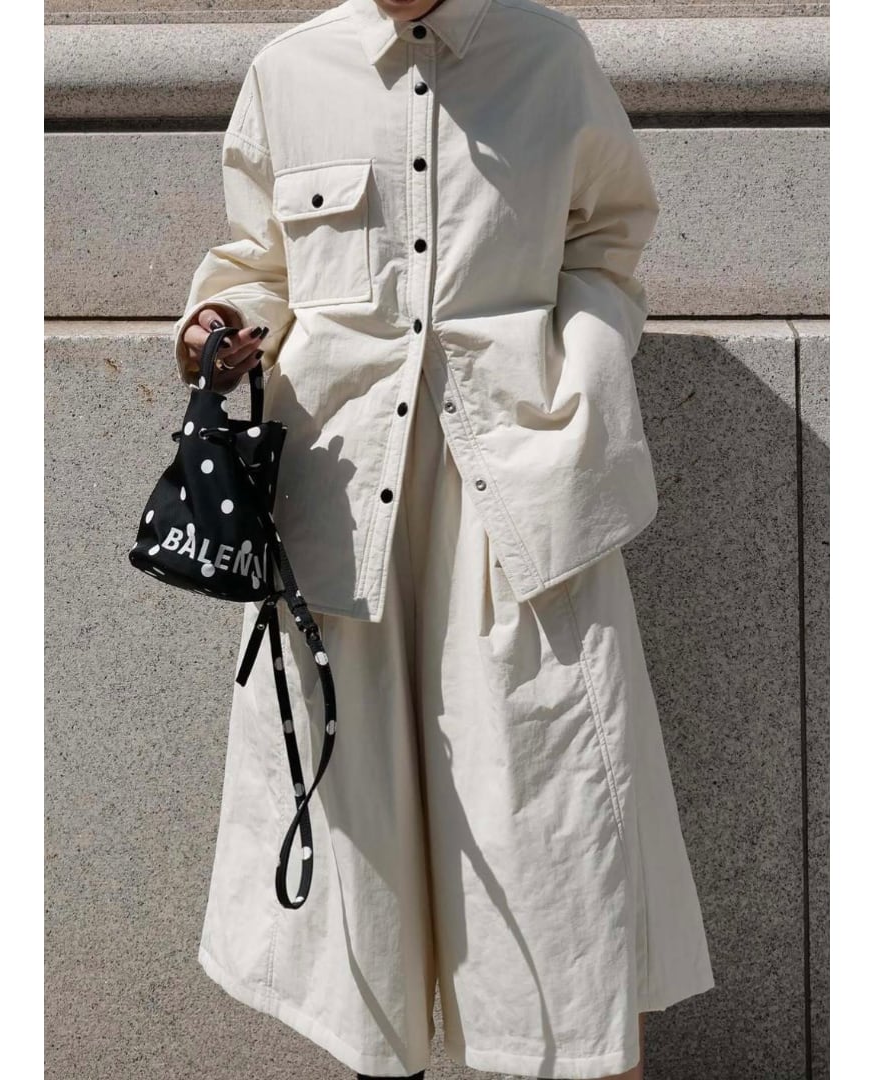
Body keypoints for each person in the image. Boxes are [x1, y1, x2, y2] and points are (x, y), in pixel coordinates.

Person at [173, 0, 715, 1077]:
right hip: (343, 512)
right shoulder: (290, 72)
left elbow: (609, 238)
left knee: (555, 820)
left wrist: (580, 379)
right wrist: (217, 327)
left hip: (521, 498)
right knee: (359, 827)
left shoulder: (549, 56)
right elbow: (259, 263)